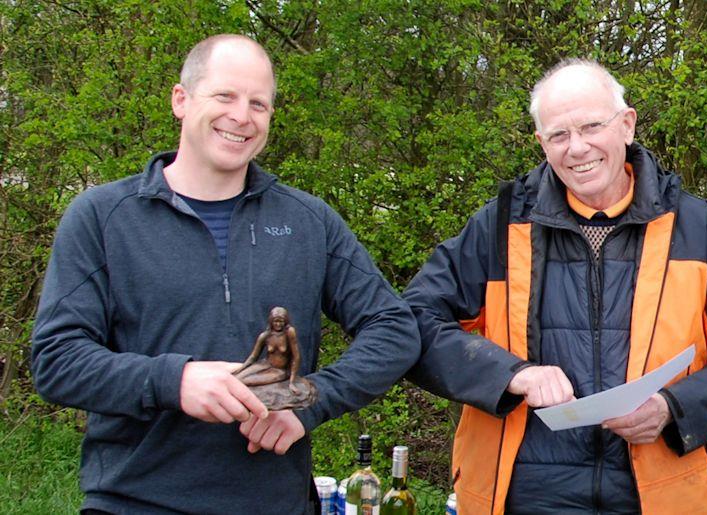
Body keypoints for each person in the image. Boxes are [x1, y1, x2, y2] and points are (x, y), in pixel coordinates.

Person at [32, 34, 420, 515]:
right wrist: (174, 381)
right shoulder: (103, 217)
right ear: (181, 99)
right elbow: (57, 359)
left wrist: (312, 402)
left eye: (259, 103)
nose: (242, 115)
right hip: (135, 501)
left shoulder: (308, 221)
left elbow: (395, 328)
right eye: (225, 96)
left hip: (276, 501)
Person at [403, 58, 707, 514]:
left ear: (627, 125)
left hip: (659, 495)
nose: (577, 148)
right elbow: (414, 324)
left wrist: (671, 408)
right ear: (542, 144)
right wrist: (513, 374)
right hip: (522, 496)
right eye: (559, 135)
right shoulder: (500, 225)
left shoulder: (694, 226)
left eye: (591, 126)